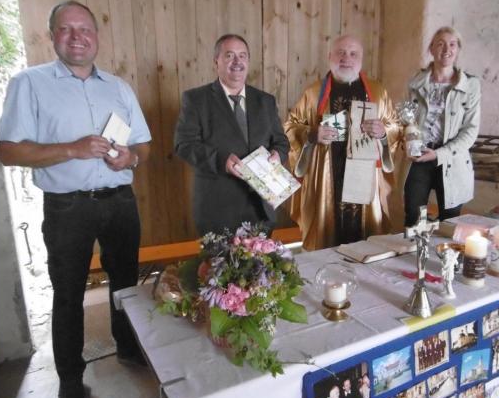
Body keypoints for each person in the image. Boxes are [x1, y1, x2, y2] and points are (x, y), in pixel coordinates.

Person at [0, 0, 152, 398]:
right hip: (67, 209)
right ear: (52, 36)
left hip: (120, 201)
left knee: (126, 285)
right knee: (68, 295)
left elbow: (143, 144)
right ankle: (70, 379)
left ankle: (129, 348)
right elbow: (9, 151)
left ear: (96, 36)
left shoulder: (118, 87)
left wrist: (130, 159)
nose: (77, 36)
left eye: (85, 29)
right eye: (67, 29)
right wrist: (73, 149)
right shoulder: (29, 84)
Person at [285, 35, 400, 250]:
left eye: (353, 53)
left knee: (365, 242)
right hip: (327, 179)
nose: (346, 58)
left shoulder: (377, 92)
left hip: (365, 180)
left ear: (361, 59)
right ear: (330, 57)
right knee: (328, 239)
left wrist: (384, 133)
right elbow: (291, 126)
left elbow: (395, 126)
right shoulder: (313, 93)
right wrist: (312, 134)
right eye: (340, 52)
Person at [174, 34, 289, 236]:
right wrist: (221, 161)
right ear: (216, 61)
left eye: (242, 56)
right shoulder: (196, 99)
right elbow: (184, 145)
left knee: (263, 267)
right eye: (229, 55)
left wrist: (278, 154)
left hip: (261, 207)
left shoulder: (265, 101)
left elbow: (281, 141)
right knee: (221, 268)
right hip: (217, 208)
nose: (237, 62)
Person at [403, 26, 481, 226]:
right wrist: (408, 139)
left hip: (452, 159)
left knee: (450, 222)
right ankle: (414, 255)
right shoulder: (416, 82)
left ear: (458, 49)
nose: (446, 49)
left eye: (452, 44)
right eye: (440, 44)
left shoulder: (471, 85)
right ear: (431, 49)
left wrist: (439, 154)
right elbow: (407, 118)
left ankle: (447, 257)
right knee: (413, 217)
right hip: (420, 156)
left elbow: (470, 131)